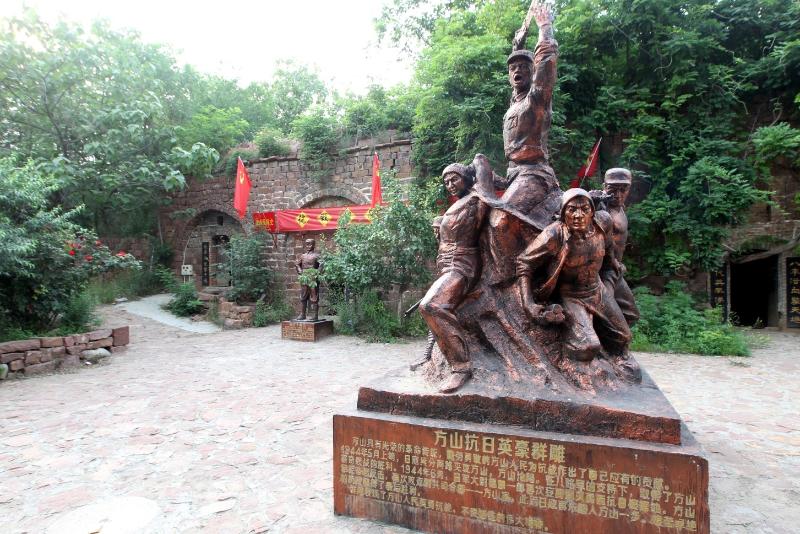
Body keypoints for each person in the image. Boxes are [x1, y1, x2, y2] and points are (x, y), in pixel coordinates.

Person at [515, 189, 637, 376]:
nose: (578, 215)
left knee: (624, 336)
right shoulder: (554, 234)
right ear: (563, 213)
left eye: (584, 209)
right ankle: (570, 366)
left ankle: (611, 358)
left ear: (592, 212)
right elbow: (524, 263)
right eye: (572, 209)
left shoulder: (603, 222)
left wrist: (613, 261)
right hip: (570, 295)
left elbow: (608, 244)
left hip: (597, 290)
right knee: (588, 345)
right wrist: (528, 303)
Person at [485, 0, 563, 284]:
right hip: (514, 175)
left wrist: (544, 28)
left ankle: (512, 278)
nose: (517, 71)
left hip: (535, 175)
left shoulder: (537, 99)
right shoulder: (513, 104)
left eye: (523, 67)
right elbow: (516, 79)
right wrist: (518, 43)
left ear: (532, 72)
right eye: (512, 68)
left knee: (499, 220)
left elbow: (546, 66)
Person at [418, 155, 491, 393]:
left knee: (431, 306)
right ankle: (436, 358)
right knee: (432, 306)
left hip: (462, 265)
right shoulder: (457, 204)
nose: (450, 184)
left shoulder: (476, 199)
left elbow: (486, 176)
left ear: (467, 178)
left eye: (454, 179)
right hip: (447, 265)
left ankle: (461, 367)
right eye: (446, 181)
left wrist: (478, 164)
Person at [601, 168, 639, 326]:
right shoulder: (600, 208)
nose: (618, 195)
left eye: (623, 190)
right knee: (605, 312)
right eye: (612, 189)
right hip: (602, 271)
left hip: (615, 270)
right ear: (604, 187)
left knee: (631, 314)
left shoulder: (620, 208)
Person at [295, 238, 321, 321]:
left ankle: (314, 315)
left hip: (313, 277)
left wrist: (317, 273)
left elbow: (322, 265)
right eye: (307, 244)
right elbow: (297, 264)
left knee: (314, 296)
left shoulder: (316, 256)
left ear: (314, 245)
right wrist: (300, 271)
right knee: (303, 295)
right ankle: (302, 314)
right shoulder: (302, 256)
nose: (308, 246)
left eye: (310, 244)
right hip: (304, 277)